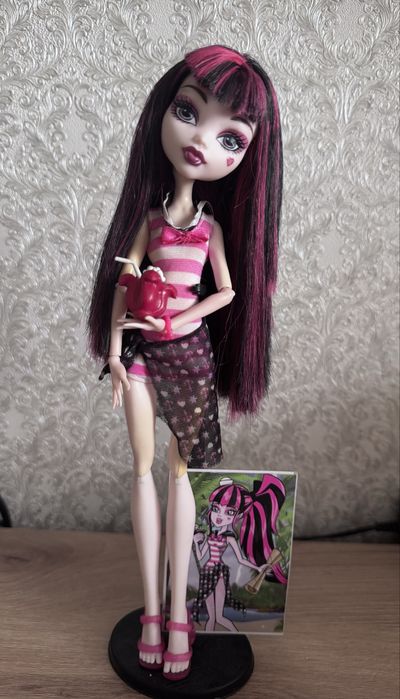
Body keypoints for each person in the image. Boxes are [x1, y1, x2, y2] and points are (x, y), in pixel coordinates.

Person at [87, 44, 283, 681]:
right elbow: (124, 285)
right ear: (162, 113)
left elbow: (227, 292)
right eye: (189, 112)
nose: (201, 141)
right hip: (142, 357)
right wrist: (115, 354)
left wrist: (182, 316)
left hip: (190, 358)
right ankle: (152, 611)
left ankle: (180, 616)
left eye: (231, 138)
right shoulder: (148, 221)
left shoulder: (211, 231)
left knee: (181, 475)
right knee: (142, 470)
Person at [192, 475, 287, 631]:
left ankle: (235, 633)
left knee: (219, 617)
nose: (220, 516)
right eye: (216, 509)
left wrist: (258, 568)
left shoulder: (229, 537)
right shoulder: (210, 536)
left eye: (229, 512)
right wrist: (197, 542)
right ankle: (209, 638)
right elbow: (201, 556)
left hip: (219, 573)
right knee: (211, 617)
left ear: (239, 515)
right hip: (206, 573)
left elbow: (241, 559)